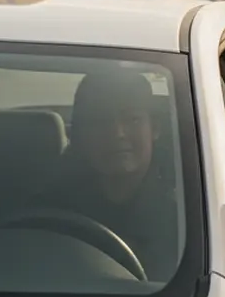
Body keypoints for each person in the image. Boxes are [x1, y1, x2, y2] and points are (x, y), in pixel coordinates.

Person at [41, 69, 177, 280]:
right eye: (100, 122)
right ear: (79, 135)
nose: (117, 133)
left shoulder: (189, 209)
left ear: (155, 128)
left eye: (132, 119)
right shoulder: (49, 207)